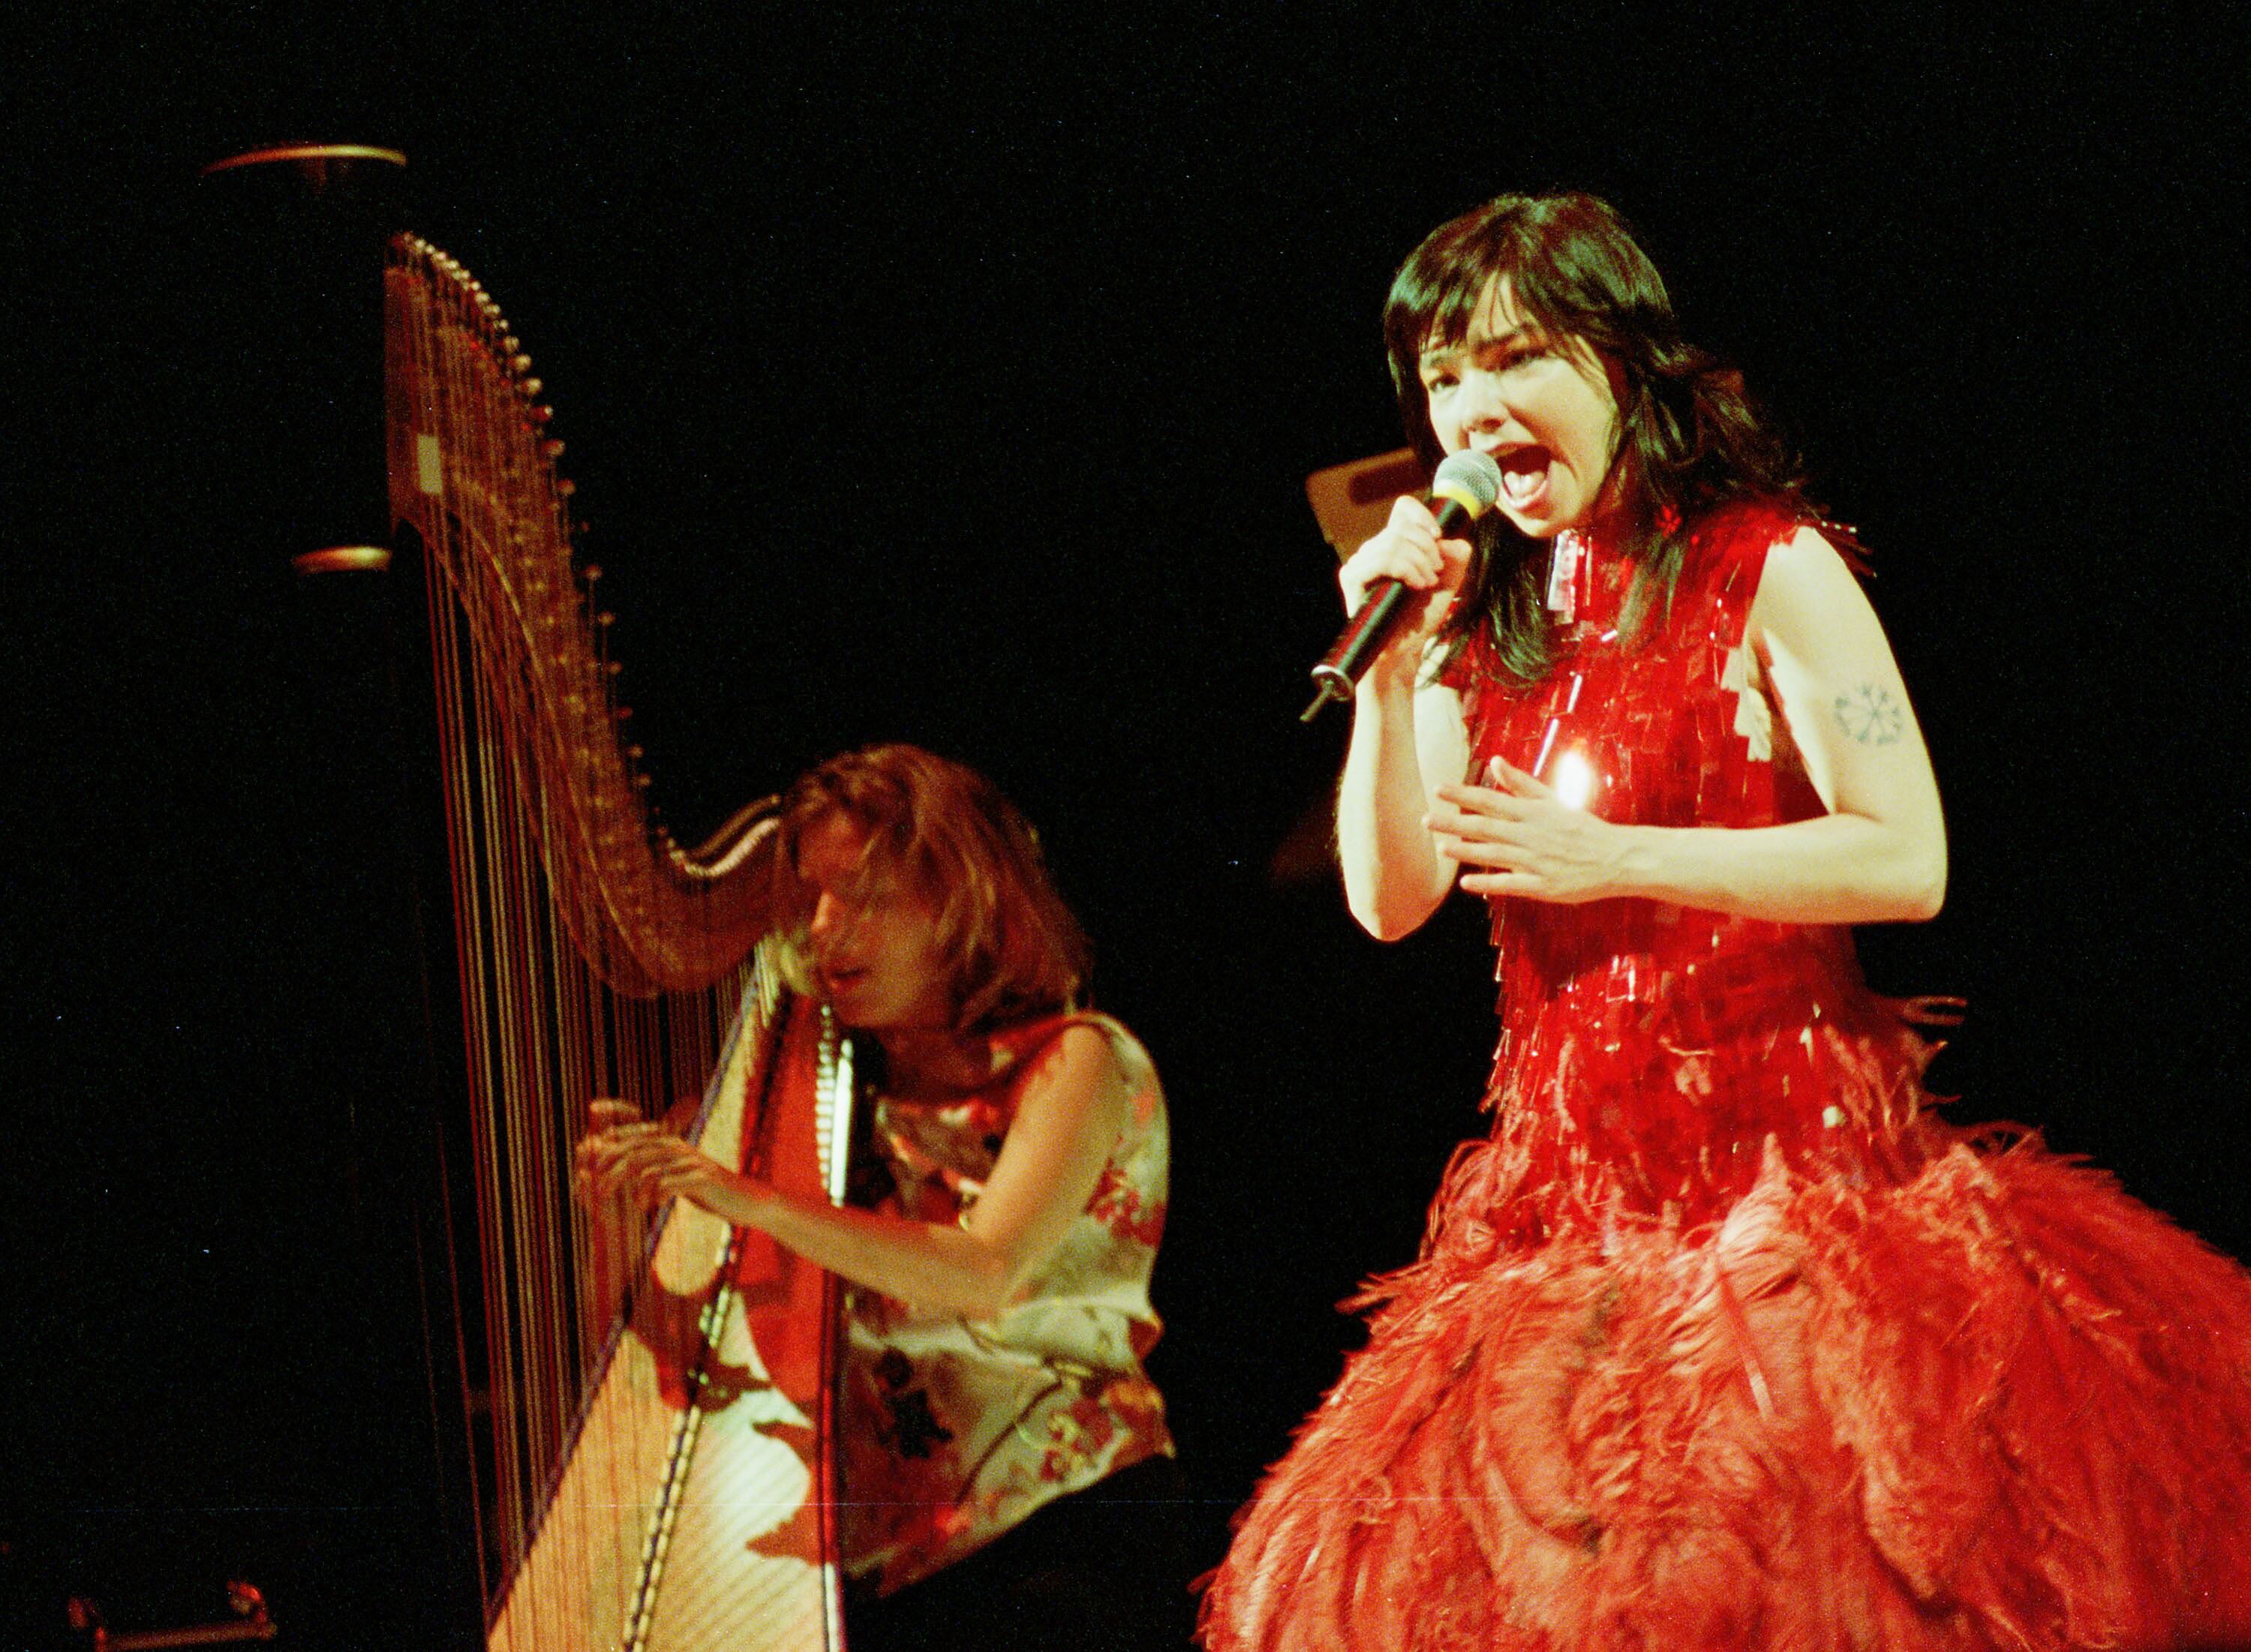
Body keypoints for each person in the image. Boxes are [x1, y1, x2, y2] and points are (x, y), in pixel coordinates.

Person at [1200, 193, 2251, 1651]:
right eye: (1443, 380)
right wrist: (1388, 680)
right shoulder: (1479, 624)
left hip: (1795, 1204)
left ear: (1625, 363)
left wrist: (1605, 851)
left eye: (1512, 359)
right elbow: (1391, 904)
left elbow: (1908, 853)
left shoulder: (1769, 565)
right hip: (1567, 1228)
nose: (1472, 408)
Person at [579, 743, 1186, 1650]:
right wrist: (617, 1235)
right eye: (814, 898)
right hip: (884, 1574)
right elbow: (691, 1370)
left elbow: (986, 1271)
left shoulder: (1075, 1061)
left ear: (964, 903)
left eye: (865, 897)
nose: (826, 929)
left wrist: (753, 1203)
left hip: (1063, 1537)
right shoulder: (808, 1102)